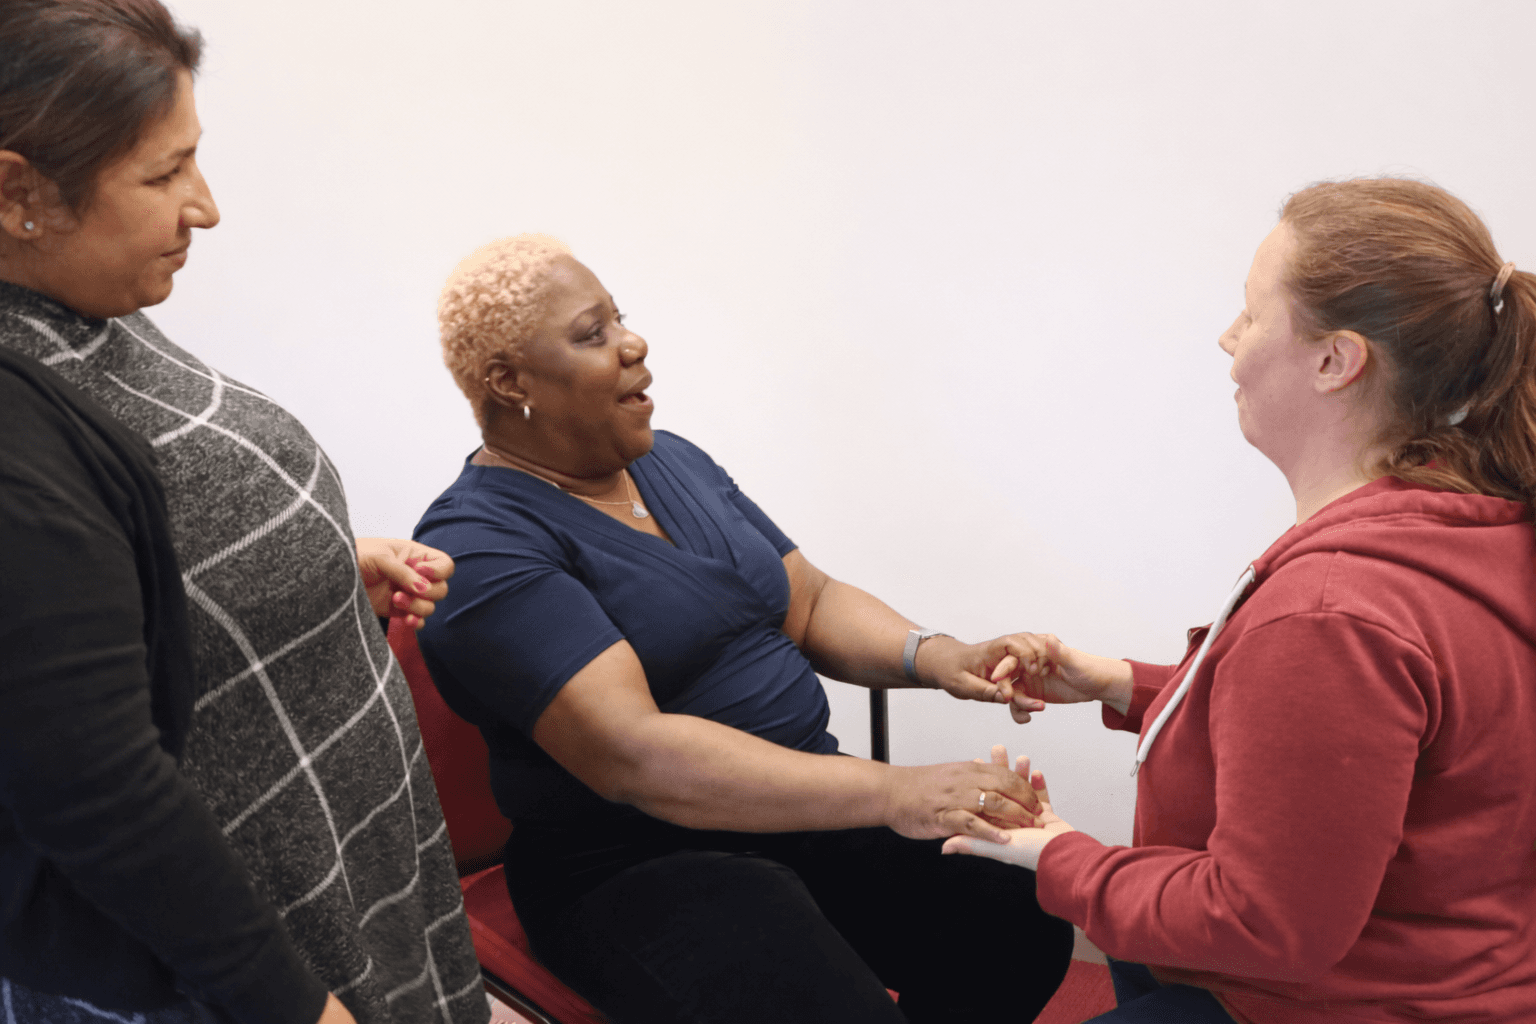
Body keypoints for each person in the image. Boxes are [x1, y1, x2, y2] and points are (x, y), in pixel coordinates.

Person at [412, 233, 1076, 1023]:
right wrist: (898, 790)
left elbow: (810, 600)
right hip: (637, 861)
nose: (634, 343)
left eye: (619, 318)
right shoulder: (481, 546)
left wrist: (940, 656)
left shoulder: (671, 461)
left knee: (1018, 905)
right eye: (593, 335)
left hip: (797, 802)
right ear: (507, 379)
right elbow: (638, 756)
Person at [946, 177, 1536, 1022]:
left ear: (1336, 361)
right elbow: (1370, 742)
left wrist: (1055, 853)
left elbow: (1263, 923)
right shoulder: (1470, 524)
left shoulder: (1333, 611)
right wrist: (1124, 682)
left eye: (1252, 314)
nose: (1228, 339)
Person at [0, 2, 486, 1022]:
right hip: (245, 961)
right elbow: (94, 787)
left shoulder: (83, 298)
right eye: (163, 173)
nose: (205, 205)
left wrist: (309, 564)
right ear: (17, 194)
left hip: (342, 867)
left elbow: (93, 586)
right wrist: (291, 1004)